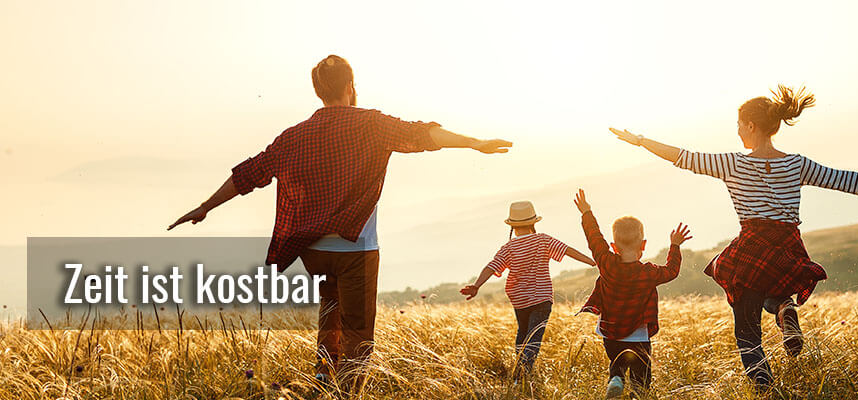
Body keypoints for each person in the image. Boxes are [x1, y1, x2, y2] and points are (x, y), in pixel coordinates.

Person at [167, 55, 513, 380]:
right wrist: (475, 143)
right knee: (358, 334)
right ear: (351, 86)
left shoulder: (293, 136)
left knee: (330, 310)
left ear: (319, 91)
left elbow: (250, 174)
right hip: (356, 251)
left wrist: (205, 206)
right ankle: (347, 390)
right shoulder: (372, 125)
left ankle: (323, 376)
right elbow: (422, 134)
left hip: (313, 250)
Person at [607, 85, 858, 388]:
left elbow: (683, 157)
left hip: (752, 244)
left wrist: (640, 141)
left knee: (746, 329)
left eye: (738, 124)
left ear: (750, 125)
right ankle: (785, 309)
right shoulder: (796, 164)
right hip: (788, 245)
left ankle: (764, 388)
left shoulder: (732, 164)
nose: (736, 131)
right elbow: (843, 179)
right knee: (775, 287)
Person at [572, 189, 688, 398]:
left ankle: (616, 377)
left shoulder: (606, 263)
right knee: (641, 376)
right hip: (638, 335)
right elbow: (672, 271)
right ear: (643, 245)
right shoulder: (648, 273)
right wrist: (675, 246)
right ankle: (637, 394)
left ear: (614, 246)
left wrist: (586, 213)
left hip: (610, 332)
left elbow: (594, 238)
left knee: (617, 363)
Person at [460, 200, 596, 379]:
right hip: (541, 298)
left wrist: (477, 286)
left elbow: (491, 267)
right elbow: (567, 250)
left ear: (512, 226)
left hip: (520, 300)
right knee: (534, 337)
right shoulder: (543, 240)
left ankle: (520, 372)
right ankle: (522, 376)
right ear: (533, 222)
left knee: (522, 334)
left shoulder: (508, 248)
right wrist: (592, 261)